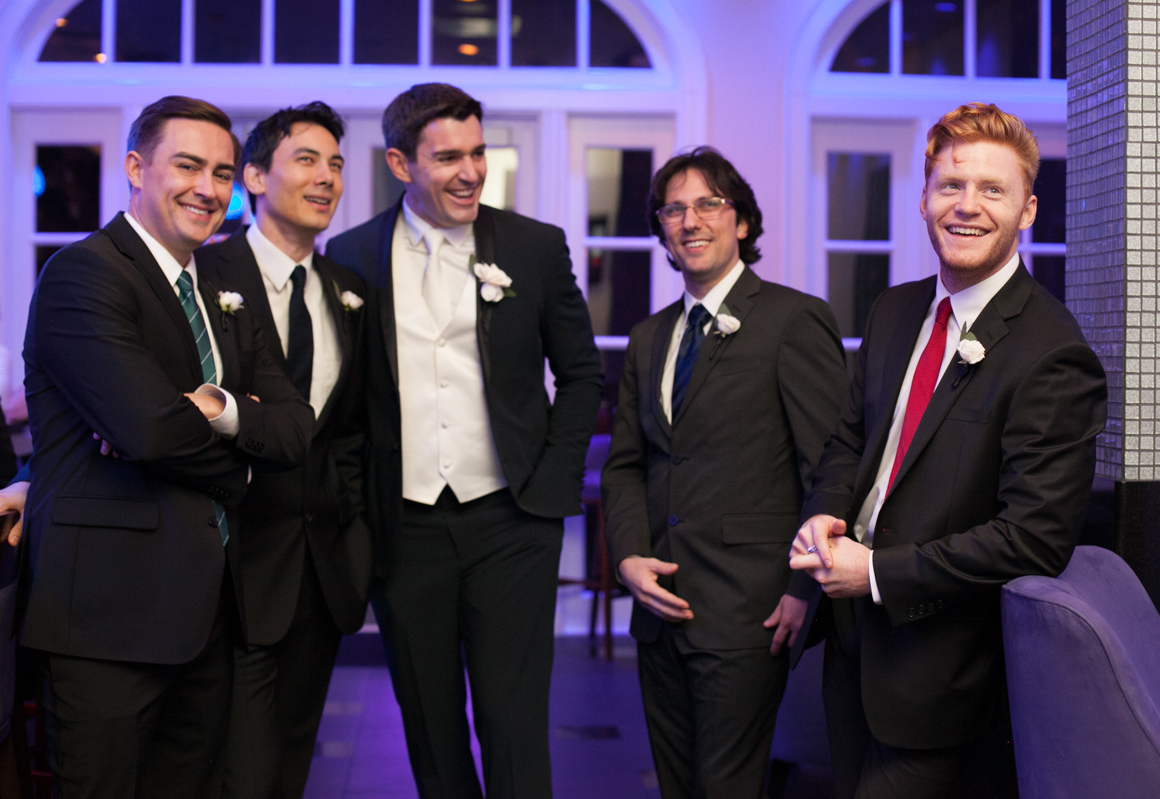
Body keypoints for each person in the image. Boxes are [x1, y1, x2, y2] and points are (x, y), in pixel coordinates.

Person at [789, 102, 1107, 799]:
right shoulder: (894, 310)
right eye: (950, 187)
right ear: (924, 198)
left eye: (993, 190)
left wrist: (875, 573)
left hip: (943, 675)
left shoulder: (1053, 353)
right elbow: (849, 443)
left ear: (1027, 210)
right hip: (851, 652)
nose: (967, 206)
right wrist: (822, 513)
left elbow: (1034, 539)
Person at [15, 96, 314, 798]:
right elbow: (148, 429)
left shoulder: (221, 284)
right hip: (105, 617)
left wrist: (215, 408)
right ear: (134, 167)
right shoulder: (83, 275)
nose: (208, 189)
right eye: (187, 166)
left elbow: (297, 426)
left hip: (206, 612)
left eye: (221, 172)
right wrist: (242, 466)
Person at [325, 82, 602, 799]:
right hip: (405, 530)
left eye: (478, 152)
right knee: (432, 733)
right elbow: (344, 410)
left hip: (512, 523)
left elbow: (581, 376)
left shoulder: (534, 247)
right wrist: (362, 511)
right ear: (399, 163)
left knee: (515, 730)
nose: (471, 171)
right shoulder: (351, 258)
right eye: (448, 157)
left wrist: (548, 487)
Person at [601, 146, 847, 796]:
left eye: (709, 203)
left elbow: (827, 467)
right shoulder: (649, 337)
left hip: (750, 607)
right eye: (674, 209)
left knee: (730, 787)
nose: (691, 220)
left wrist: (804, 590)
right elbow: (627, 464)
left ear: (741, 223)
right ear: (661, 231)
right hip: (660, 611)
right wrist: (627, 558)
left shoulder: (794, 320)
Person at [194, 101, 371, 799]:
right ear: (256, 178)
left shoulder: (350, 291)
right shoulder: (206, 274)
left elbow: (349, 431)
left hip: (319, 574)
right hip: (227, 569)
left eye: (336, 165)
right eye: (308, 160)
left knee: (292, 768)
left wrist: (354, 532)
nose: (327, 178)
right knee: (234, 770)